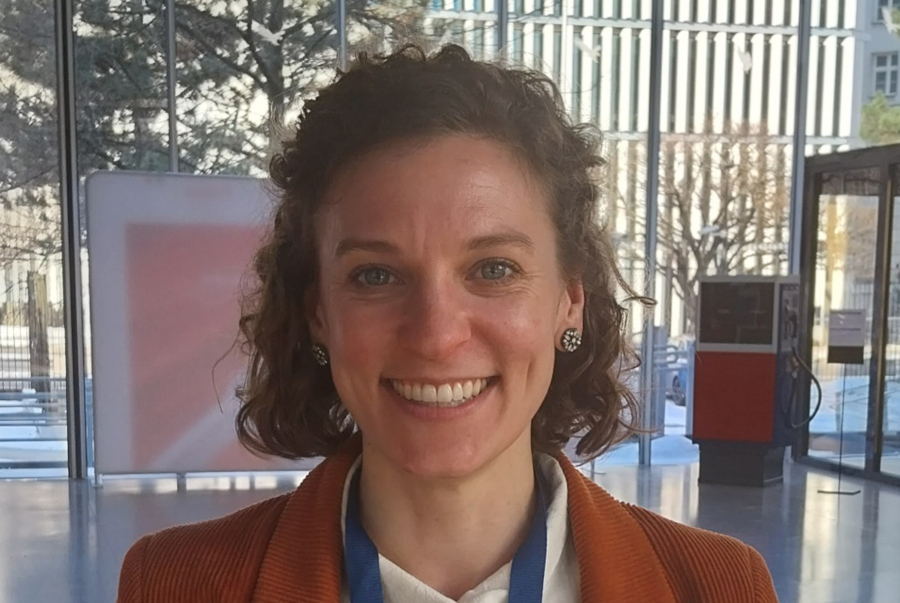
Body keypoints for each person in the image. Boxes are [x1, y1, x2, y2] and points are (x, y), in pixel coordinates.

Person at [117, 44, 778, 603]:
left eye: (493, 268)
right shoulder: (173, 585)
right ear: (318, 313)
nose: (435, 335)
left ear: (569, 301)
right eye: (375, 276)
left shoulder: (719, 587)